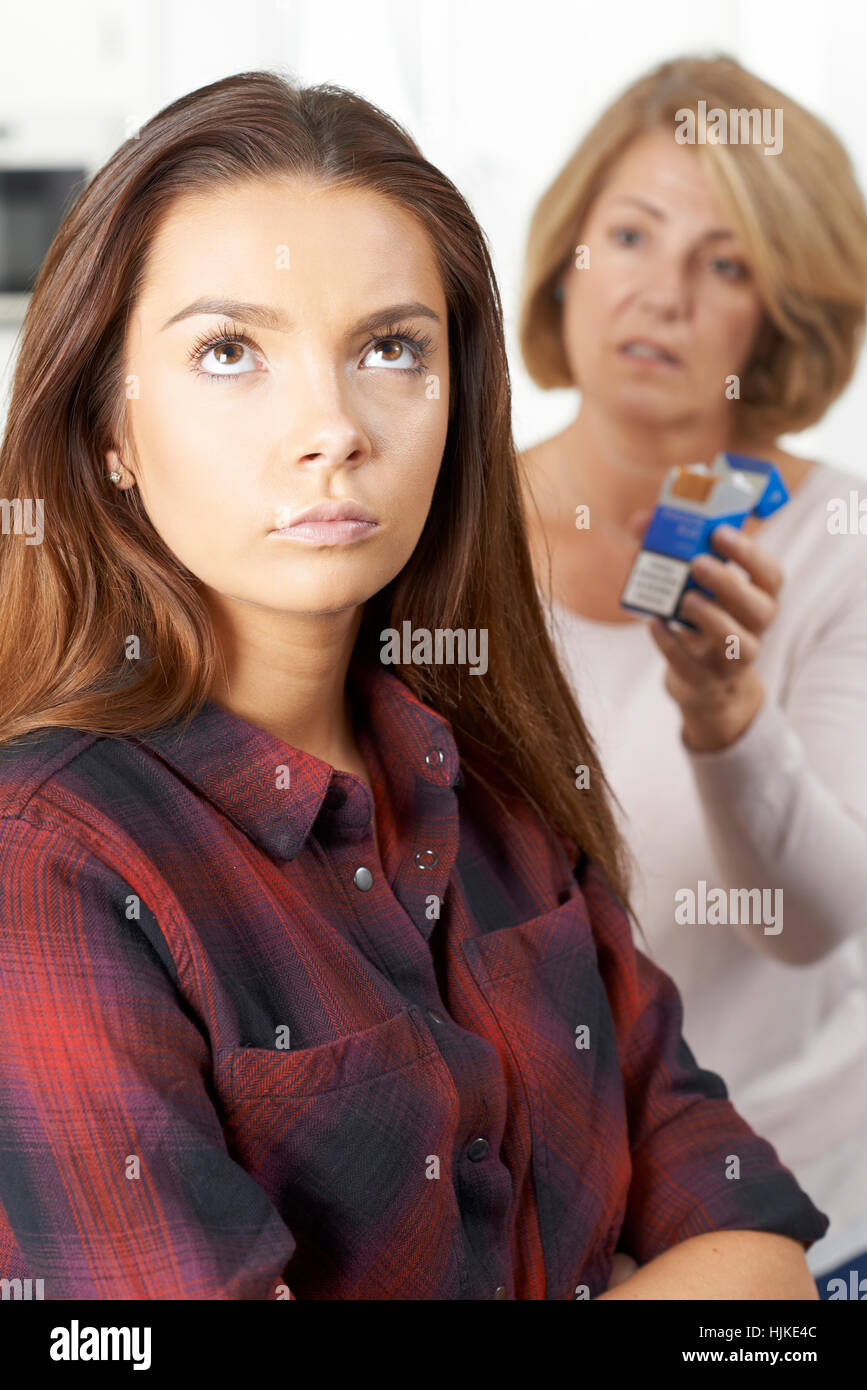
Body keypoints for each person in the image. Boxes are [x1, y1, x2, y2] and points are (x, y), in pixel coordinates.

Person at [0, 69, 827, 1301]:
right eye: (230, 350)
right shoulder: (48, 862)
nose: (332, 426)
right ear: (110, 428)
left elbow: (756, 1259)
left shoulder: (503, 790)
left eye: (391, 348)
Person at [518, 53, 867, 1296]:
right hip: (537, 1207)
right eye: (629, 234)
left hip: (796, 1204)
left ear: (777, 317)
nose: (657, 296)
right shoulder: (450, 528)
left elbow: (814, 923)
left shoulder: (834, 543)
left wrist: (725, 712)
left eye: (723, 265)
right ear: (568, 256)